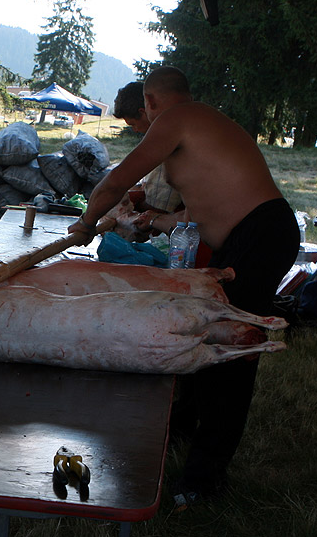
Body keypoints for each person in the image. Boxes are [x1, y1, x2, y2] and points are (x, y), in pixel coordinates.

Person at [69, 66, 299, 504]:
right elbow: (194, 213)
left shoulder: (176, 119)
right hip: (251, 235)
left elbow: (117, 179)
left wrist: (84, 224)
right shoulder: (200, 124)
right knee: (207, 331)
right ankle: (184, 431)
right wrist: (149, 221)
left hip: (261, 234)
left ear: (151, 102)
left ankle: (203, 480)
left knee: (233, 348)